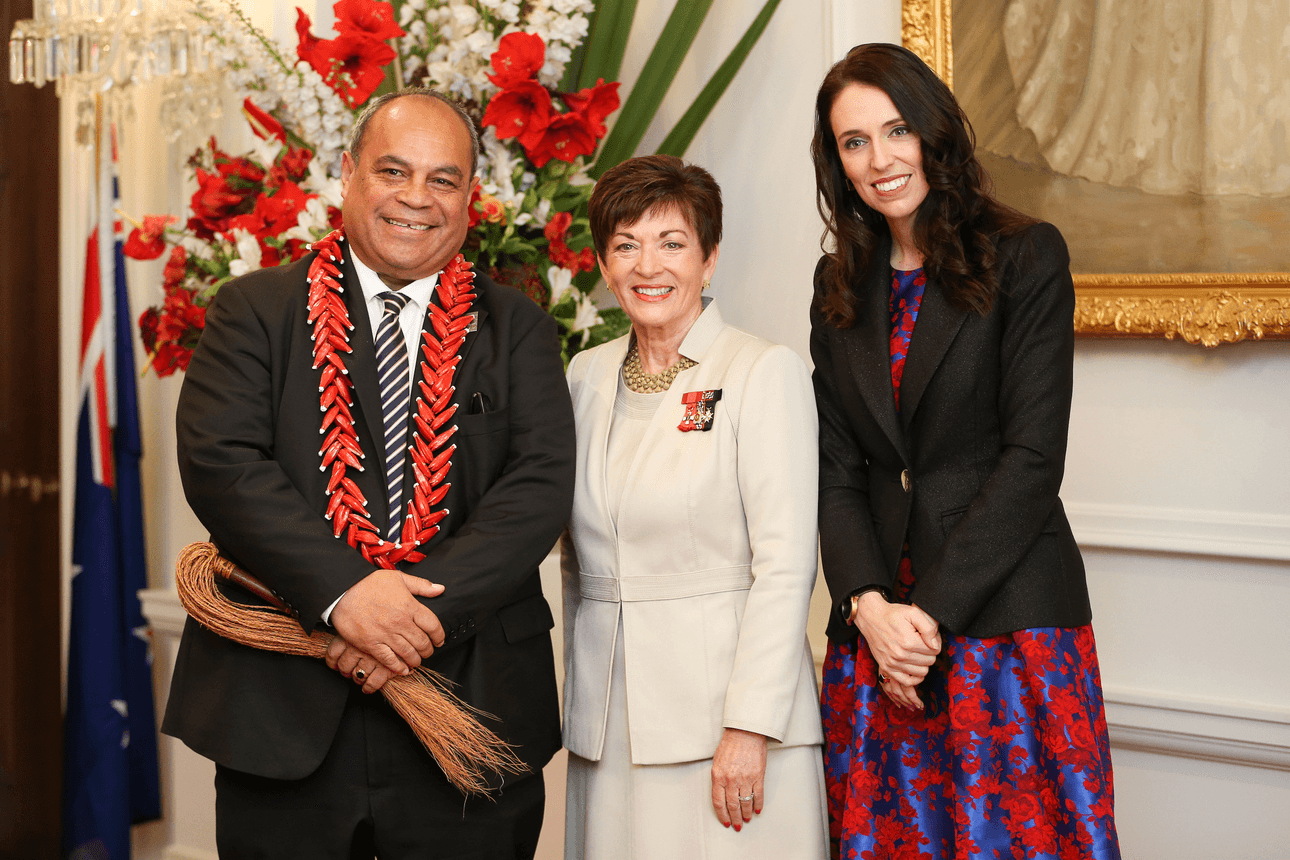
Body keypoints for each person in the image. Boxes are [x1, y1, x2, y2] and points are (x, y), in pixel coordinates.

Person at [164, 89, 575, 859]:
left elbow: (538, 486)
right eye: (394, 171)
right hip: (282, 710)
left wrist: (405, 624)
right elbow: (223, 464)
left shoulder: (519, 325)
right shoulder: (254, 309)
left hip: (472, 703)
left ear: (470, 198)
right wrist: (348, 595)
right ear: (348, 175)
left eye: (443, 180)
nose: (416, 198)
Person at [809, 44, 1121, 859]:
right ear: (836, 161)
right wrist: (868, 608)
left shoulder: (1027, 255)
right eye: (853, 142)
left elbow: (1030, 459)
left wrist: (925, 619)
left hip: (1002, 624)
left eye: (897, 130)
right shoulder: (838, 280)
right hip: (877, 642)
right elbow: (838, 466)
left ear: (935, 133)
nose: (879, 160)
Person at [560, 154, 829, 860]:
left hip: (724, 727)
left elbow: (785, 562)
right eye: (626, 245)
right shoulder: (582, 376)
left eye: (672, 243)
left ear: (709, 261)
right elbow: (574, 560)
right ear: (604, 263)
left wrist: (749, 725)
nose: (649, 265)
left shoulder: (760, 371)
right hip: (608, 724)